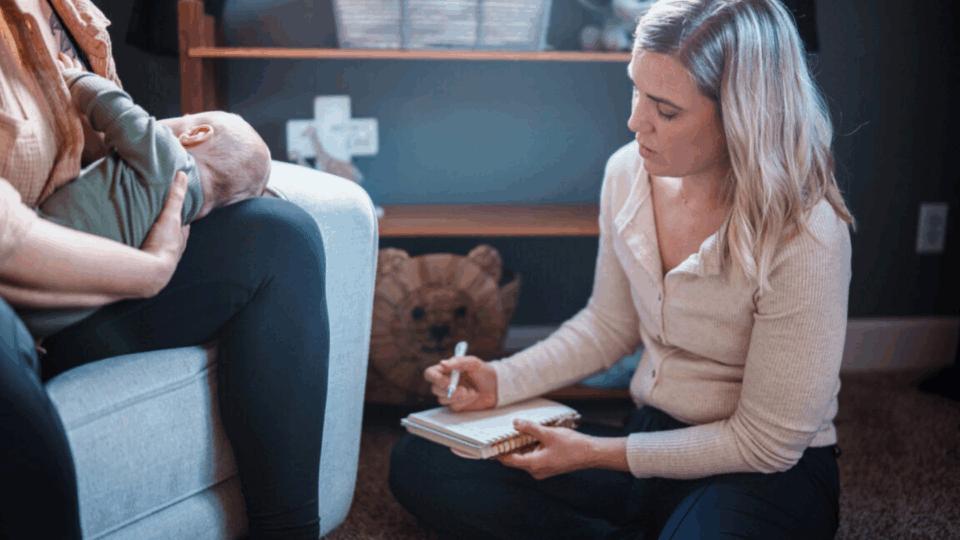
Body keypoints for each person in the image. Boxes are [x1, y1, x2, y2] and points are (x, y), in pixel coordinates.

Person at [390, 0, 854, 538]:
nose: (635, 121)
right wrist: (500, 380)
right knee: (424, 460)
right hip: (647, 439)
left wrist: (596, 454)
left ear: (740, 115)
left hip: (759, 472)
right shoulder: (626, 174)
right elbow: (608, 326)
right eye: (636, 89)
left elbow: (765, 443)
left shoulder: (807, 230)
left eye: (666, 109)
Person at [0, 1, 329, 539]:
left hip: (84, 289)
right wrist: (145, 269)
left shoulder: (68, 10)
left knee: (282, 236)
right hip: (22, 291)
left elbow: (114, 135)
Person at [19, 54, 272, 339]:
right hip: (57, 313)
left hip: (39, 256)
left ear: (195, 134)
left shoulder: (169, 157)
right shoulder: (180, 224)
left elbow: (115, 108)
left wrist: (72, 78)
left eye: (186, 118)